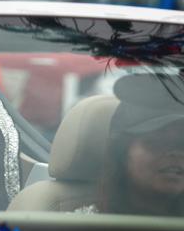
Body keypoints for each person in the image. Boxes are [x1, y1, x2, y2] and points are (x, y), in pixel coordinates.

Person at [78, 74, 184, 216]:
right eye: (157, 143)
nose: (175, 152)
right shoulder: (82, 224)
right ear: (122, 154)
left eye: (182, 144)